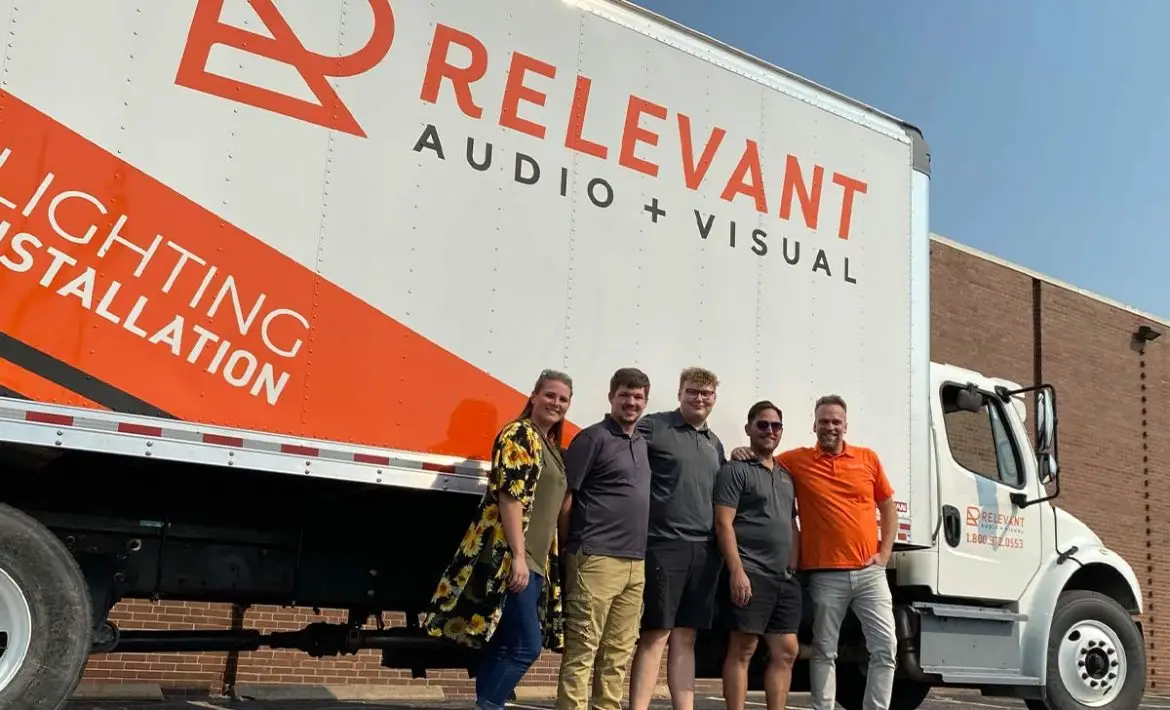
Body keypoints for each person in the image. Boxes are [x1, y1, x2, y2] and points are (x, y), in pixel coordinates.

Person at [730, 394, 898, 710]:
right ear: (814, 425)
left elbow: (888, 507)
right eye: (824, 421)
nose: (830, 427)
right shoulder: (796, 461)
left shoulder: (868, 459)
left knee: (885, 648)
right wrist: (745, 451)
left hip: (869, 573)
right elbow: (765, 458)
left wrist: (884, 553)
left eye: (836, 421)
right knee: (824, 650)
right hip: (825, 575)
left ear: (845, 425)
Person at [421, 369, 575, 710]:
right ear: (533, 396)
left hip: (535, 559)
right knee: (526, 647)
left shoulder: (548, 443)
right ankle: (488, 705)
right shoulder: (519, 435)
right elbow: (510, 498)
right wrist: (518, 556)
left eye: (563, 399)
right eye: (550, 395)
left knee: (506, 644)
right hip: (510, 556)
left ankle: (489, 703)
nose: (556, 403)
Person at [555, 367, 654, 710]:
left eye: (638, 396)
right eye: (625, 394)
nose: (631, 402)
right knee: (583, 651)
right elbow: (566, 499)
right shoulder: (592, 438)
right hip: (595, 557)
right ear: (611, 396)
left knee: (617, 655)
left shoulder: (641, 442)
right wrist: (572, 550)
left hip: (634, 564)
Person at [628, 367, 727, 710]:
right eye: (692, 392)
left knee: (686, 636)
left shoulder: (715, 443)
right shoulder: (655, 425)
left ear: (714, 398)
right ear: (680, 393)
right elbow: (621, 434)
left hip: (705, 551)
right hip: (663, 545)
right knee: (656, 634)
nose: (699, 398)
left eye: (706, 393)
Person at [712, 400, 800, 710]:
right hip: (750, 572)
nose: (769, 431)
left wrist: (793, 566)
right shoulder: (736, 470)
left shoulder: (786, 475)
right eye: (762, 425)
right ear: (749, 428)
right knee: (744, 648)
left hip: (783, 579)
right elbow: (723, 523)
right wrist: (737, 572)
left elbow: (791, 523)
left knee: (787, 650)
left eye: (775, 426)